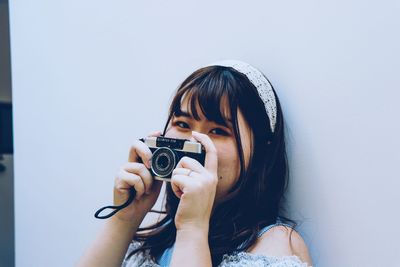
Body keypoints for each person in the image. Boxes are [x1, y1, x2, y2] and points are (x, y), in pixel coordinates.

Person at [77, 60, 313, 267]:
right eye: (182, 124)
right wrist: (124, 219)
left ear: (261, 149)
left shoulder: (277, 245)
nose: (194, 142)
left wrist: (192, 228)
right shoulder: (163, 234)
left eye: (218, 130)